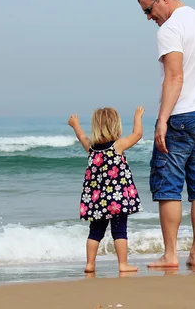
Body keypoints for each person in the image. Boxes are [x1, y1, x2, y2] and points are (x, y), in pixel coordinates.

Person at [137, 0, 195, 268]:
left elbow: (175, 77)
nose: (150, 18)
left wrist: (162, 120)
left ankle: (170, 255)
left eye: (148, 10)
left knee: (169, 186)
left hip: (182, 115)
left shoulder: (172, 27)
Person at [68, 106, 145, 273]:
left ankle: (90, 264)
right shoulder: (117, 146)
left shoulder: (92, 149)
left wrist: (75, 125)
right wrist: (137, 116)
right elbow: (137, 134)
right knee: (119, 230)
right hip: (116, 200)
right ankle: (123, 264)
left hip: (97, 201)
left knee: (95, 231)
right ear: (115, 126)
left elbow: (82, 136)